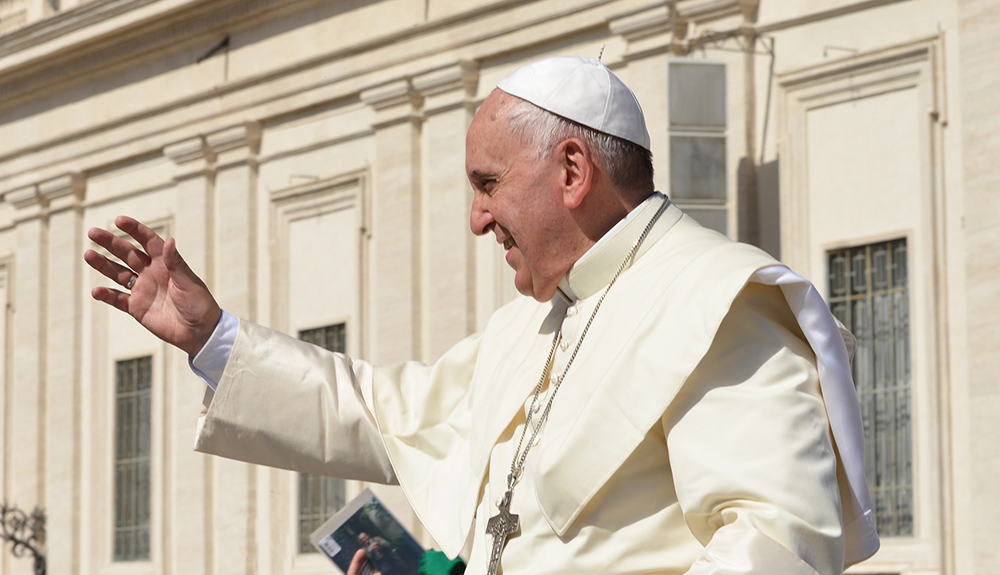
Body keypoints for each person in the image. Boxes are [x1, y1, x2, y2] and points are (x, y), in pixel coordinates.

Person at [85, 56, 879, 574]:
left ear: (573, 171)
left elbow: (776, 546)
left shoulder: (721, 301)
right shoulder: (527, 329)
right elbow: (383, 414)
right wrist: (214, 338)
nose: (475, 219)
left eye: (488, 184)